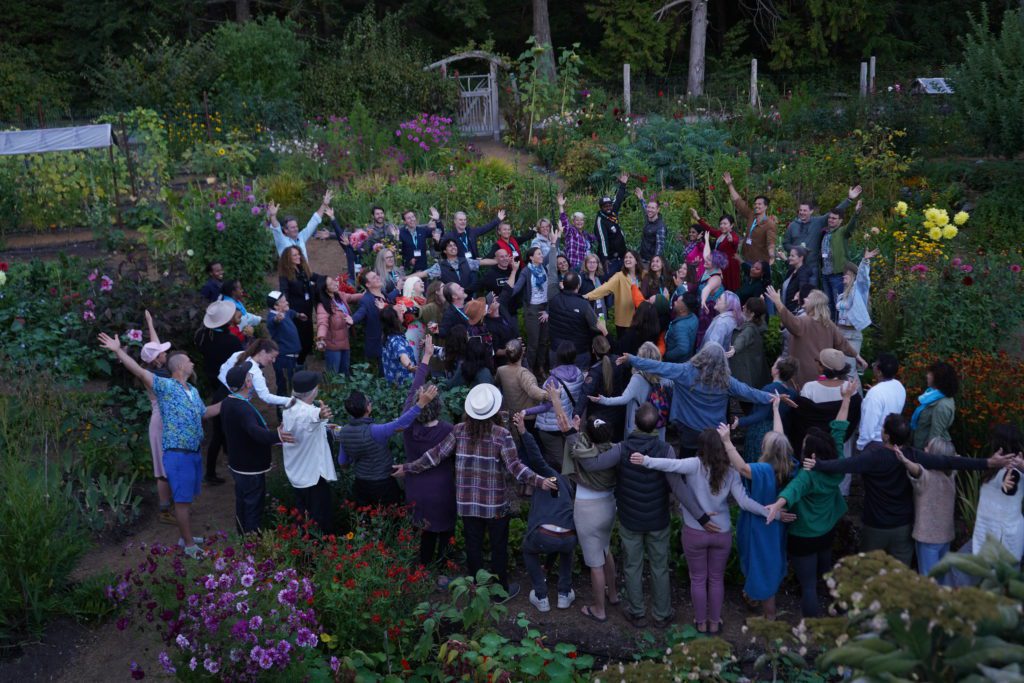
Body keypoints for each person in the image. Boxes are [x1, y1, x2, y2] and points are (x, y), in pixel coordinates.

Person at [394, 384, 557, 600]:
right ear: (494, 410)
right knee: (499, 548)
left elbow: (434, 456)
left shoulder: (459, 431)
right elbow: (515, 467)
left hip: (468, 504)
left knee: (473, 546)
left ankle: (475, 590)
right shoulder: (502, 434)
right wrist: (540, 481)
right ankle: (500, 593)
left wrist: (407, 468)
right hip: (495, 505)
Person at [805, 413, 1011, 566]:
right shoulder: (914, 455)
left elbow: (845, 465)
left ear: (885, 435)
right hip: (903, 527)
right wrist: (988, 462)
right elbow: (947, 460)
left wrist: (819, 465)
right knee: (899, 576)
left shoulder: (873, 457)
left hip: (876, 526)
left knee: (866, 571)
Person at [631, 426, 771, 634]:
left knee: (698, 579)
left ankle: (700, 622)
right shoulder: (732, 471)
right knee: (716, 579)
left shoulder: (695, 465)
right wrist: (771, 512)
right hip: (721, 533)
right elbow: (744, 502)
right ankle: (715, 622)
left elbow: (670, 465)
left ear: (702, 448)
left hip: (695, 531)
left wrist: (645, 460)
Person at [97, 332, 221, 558]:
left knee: (187, 498)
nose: (193, 363)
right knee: (182, 503)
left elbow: (206, 412)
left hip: (193, 452)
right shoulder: (165, 386)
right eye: (189, 361)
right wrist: (118, 351)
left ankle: (186, 537)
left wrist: (233, 400)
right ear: (181, 367)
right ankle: (189, 545)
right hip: (178, 453)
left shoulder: (192, 391)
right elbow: (138, 370)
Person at [577, 404, 682, 627]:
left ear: (635, 422)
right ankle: (662, 614)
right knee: (659, 566)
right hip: (658, 518)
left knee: (633, 566)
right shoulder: (666, 450)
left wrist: (571, 437)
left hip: (630, 518)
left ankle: (637, 612)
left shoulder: (621, 449)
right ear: (658, 423)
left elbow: (593, 464)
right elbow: (676, 486)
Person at [763, 382, 855, 616]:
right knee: (827, 573)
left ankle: (813, 630)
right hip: (826, 531)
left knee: (808, 586)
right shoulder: (836, 463)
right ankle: (841, 609)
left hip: (803, 535)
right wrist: (846, 398)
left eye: (804, 446)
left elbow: (793, 489)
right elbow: (839, 428)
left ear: (811, 454)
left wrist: (777, 504)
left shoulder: (807, 475)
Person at [620, 342, 777, 458]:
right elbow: (748, 392)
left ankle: (683, 491)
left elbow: (658, 367)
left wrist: (632, 359)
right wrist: (772, 397)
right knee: (711, 463)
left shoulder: (685, 371)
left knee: (685, 461)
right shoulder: (726, 381)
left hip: (688, 428)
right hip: (714, 431)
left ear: (701, 355)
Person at [723, 401, 796, 620]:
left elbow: (743, 468)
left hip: (760, 526)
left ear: (768, 450)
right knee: (767, 564)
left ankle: (769, 618)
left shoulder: (763, 470)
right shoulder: (788, 464)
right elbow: (779, 436)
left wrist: (727, 442)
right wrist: (775, 410)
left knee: (762, 567)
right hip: (775, 525)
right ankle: (753, 597)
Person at [401, 337, 457, 574]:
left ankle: (422, 570)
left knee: (423, 533)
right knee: (444, 531)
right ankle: (442, 571)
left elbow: (415, 390)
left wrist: (425, 358)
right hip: (443, 490)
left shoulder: (407, 426)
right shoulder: (449, 431)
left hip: (415, 489)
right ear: (439, 406)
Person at [513, 411, 577, 613]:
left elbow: (537, 459)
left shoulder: (552, 477)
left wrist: (523, 431)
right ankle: (564, 594)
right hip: (568, 536)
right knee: (565, 548)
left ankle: (541, 596)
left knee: (528, 550)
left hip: (544, 535)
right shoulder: (569, 485)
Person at [222, 363, 294, 534]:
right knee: (253, 507)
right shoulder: (243, 409)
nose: (252, 378)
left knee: (242, 502)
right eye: (250, 376)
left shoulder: (228, 402)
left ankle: (242, 536)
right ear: (247, 383)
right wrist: (278, 436)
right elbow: (256, 433)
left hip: (237, 464)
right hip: (250, 469)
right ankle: (253, 546)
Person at [563, 416, 621, 622]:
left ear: (589, 436)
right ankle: (613, 594)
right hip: (609, 505)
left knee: (595, 562)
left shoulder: (583, 452)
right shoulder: (615, 450)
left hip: (587, 509)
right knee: (606, 549)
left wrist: (572, 429)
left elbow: (572, 440)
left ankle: (599, 609)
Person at [339, 385, 436, 507]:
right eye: (369, 402)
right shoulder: (375, 431)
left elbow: (342, 462)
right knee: (389, 517)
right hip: (382, 485)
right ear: (367, 409)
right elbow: (401, 423)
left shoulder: (343, 431)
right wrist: (421, 403)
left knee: (366, 519)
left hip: (360, 484)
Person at [764, 286, 865, 389]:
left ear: (813, 304)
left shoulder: (803, 322)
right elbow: (843, 344)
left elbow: (789, 320)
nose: (804, 299)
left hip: (803, 375)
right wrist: (857, 356)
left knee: (804, 401)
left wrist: (778, 303)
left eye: (808, 298)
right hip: (823, 372)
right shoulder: (829, 324)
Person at [892, 438, 958, 581]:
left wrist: (904, 460)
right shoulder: (951, 475)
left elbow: (916, 470)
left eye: (928, 448)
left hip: (927, 537)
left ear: (934, 455)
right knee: (942, 577)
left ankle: (928, 603)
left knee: (928, 578)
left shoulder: (926, 477)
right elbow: (956, 458)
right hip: (946, 536)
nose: (924, 449)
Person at [280, 371, 336, 532]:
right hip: (313, 476)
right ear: (313, 391)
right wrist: (321, 415)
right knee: (319, 520)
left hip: (298, 474)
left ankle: (305, 551)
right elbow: (310, 418)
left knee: (303, 517)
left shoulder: (290, 406)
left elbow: (307, 425)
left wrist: (324, 426)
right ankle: (322, 552)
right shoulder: (310, 413)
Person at [195, 301, 243, 485]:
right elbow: (242, 360)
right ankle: (219, 468)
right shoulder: (232, 341)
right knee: (224, 430)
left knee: (218, 430)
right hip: (228, 385)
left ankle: (212, 470)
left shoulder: (204, 336)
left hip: (213, 380)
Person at [590, 341, 667, 441]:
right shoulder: (663, 375)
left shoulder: (637, 379)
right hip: (657, 423)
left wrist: (603, 400)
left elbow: (623, 399)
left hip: (638, 426)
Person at [526, 341, 586, 470]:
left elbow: (546, 406)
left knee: (559, 463)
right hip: (568, 423)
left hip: (550, 427)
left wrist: (526, 411)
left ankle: (564, 485)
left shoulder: (552, 381)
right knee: (569, 459)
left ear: (558, 357)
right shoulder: (579, 374)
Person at [782, 187, 859, 285]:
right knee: (792, 292)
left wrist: (849, 199)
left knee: (811, 294)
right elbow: (785, 243)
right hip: (795, 267)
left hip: (812, 266)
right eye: (800, 210)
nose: (802, 213)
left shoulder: (818, 222)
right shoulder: (792, 226)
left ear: (811, 211)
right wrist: (796, 250)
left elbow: (835, 212)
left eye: (805, 210)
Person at [140, 310, 174, 522]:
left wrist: (150, 323)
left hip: (162, 420)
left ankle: (172, 506)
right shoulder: (158, 376)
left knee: (166, 464)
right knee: (162, 468)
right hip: (161, 422)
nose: (166, 354)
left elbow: (154, 346)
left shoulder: (153, 368)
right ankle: (165, 510)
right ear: (157, 359)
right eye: (162, 353)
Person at [971, 425, 1024, 561]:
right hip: (989, 536)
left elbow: (1009, 488)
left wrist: (1008, 483)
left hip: (1002, 544)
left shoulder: (1012, 471)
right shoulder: (996, 467)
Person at [734, 357, 800, 463]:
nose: (772, 366)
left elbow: (761, 415)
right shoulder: (792, 392)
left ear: (776, 371)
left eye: (774, 364)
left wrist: (740, 422)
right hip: (779, 431)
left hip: (762, 433)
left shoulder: (769, 389)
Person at [511, 244, 555, 374]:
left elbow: (548, 292)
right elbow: (517, 287)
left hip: (544, 308)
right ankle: (529, 370)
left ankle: (540, 368)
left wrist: (547, 310)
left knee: (544, 341)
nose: (541, 256)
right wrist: (506, 294)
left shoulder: (543, 270)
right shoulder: (526, 271)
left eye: (541, 254)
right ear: (531, 257)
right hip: (532, 309)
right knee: (533, 342)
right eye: (539, 254)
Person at [835, 249, 879, 379]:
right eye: (843, 274)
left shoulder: (858, 290)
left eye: (847, 274)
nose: (844, 276)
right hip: (840, 333)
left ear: (854, 275)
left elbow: (863, 279)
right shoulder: (842, 296)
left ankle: (856, 398)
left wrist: (865, 261)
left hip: (852, 335)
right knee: (839, 369)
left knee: (849, 371)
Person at [583, 250, 644, 340]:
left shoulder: (643, 275)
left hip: (641, 320)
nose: (627, 259)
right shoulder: (619, 276)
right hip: (624, 322)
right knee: (624, 350)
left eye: (630, 257)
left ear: (636, 261)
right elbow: (604, 288)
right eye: (626, 257)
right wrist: (587, 296)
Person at [722, 172, 777, 269]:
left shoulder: (769, 224)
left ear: (766, 207)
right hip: (746, 257)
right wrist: (730, 185)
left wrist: (772, 255)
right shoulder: (752, 215)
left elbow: (771, 243)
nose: (756, 206)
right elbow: (738, 202)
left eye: (759, 204)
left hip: (759, 263)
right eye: (755, 204)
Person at [580, 336, 629, 439]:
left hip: (599, 416)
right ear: (609, 346)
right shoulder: (619, 361)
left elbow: (584, 394)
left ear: (593, 350)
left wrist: (576, 415)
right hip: (618, 412)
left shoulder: (594, 372)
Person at [314, 275, 364, 376]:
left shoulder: (339, 296)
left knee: (345, 372)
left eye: (333, 281)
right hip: (333, 346)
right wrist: (321, 338)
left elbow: (353, 297)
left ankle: (344, 391)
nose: (335, 283)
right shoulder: (323, 306)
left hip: (345, 342)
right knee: (333, 375)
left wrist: (368, 293)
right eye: (331, 284)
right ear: (325, 289)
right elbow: (322, 322)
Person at [218, 339, 290, 409]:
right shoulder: (255, 371)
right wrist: (289, 400)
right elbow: (265, 396)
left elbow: (222, 369)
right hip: (234, 404)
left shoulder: (238, 354)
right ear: (263, 352)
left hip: (220, 393)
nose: (273, 361)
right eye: (272, 357)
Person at [495, 339, 549, 432]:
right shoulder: (524, 374)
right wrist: (550, 395)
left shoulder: (500, 370)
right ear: (522, 353)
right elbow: (534, 392)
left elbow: (496, 384)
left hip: (512, 415)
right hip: (527, 417)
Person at [821, 200, 863, 319]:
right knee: (828, 303)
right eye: (830, 218)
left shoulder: (842, 232)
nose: (831, 220)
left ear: (840, 221)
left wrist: (856, 213)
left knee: (838, 303)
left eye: (834, 218)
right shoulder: (825, 233)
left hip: (838, 274)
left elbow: (851, 226)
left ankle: (839, 329)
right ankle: (830, 329)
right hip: (825, 273)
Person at [857, 352, 906, 452]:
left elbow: (868, 427)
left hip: (875, 444)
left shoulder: (875, 393)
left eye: (875, 364)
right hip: (891, 441)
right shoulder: (899, 385)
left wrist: (860, 447)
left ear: (879, 372)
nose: (873, 365)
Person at [277, 247, 317, 366]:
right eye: (294, 255)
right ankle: (298, 363)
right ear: (288, 258)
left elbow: (313, 278)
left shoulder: (303, 269)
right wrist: (285, 309)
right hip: (296, 310)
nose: (298, 257)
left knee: (309, 335)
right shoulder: (285, 274)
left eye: (298, 254)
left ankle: (304, 355)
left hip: (307, 308)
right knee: (301, 337)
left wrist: (326, 280)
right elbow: (284, 292)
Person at [266, 191, 332, 258]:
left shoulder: (301, 237)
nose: (296, 229)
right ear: (285, 230)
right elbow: (276, 229)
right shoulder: (281, 241)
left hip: (304, 268)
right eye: (292, 227)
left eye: (296, 226)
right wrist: (273, 216)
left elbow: (314, 221)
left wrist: (324, 205)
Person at [911, 361, 958, 450]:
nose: (927, 376)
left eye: (930, 374)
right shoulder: (931, 395)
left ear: (939, 379)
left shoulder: (942, 405)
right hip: (920, 445)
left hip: (927, 451)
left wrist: (927, 454)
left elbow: (935, 436)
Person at [690, 208, 740, 292]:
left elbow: (735, 241)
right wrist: (697, 218)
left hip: (729, 267)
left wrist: (731, 240)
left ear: (731, 225)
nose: (722, 226)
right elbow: (709, 229)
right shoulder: (720, 234)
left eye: (725, 224)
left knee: (729, 288)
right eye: (721, 224)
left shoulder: (733, 235)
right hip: (720, 265)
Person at [351, 269, 392, 371]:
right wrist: (351, 320)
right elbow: (361, 312)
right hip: (380, 344)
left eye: (377, 275)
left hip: (392, 340)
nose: (378, 277)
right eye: (374, 277)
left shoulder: (383, 294)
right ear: (368, 284)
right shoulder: (366, 300)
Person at [265, 290, 301, 396]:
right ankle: (281, 411)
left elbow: (291, 312)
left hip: (291, 357)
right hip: (284, 360)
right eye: (284, 301)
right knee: (284, 388)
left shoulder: (286, 312)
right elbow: (273, 321)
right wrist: (277, 318)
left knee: (293, 386)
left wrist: (298, 315)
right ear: (276, 306)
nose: (287, 302)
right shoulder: (272, 317)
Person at [729, 297, 769, 390]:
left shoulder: (750, 328)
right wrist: (761, 302)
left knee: (747, 401)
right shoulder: (760, 322)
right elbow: (762, 315)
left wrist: (734, 349)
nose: (743, 306)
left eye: (746, 307)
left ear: (752, 313)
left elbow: (742, 338)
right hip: (755, 371)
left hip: (747, 374)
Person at [594, 173, 629, 274]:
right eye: (605, 206)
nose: (608, 208)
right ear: (601, 208)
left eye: (609, 205)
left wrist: (623, 184)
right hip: (611, 259)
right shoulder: (600, 221)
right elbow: (603, 241)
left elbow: (619, 198)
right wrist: (604, 259)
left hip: (621, 256)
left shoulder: (613, 212)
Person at [439, 209, 505, 260]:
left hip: (473, 266)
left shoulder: (471, 232)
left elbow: (485, 228)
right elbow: (441, 248)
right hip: (460, 267)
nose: (463, 222)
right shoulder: (449, 236)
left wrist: (498, 220)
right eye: (460, 220)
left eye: (465, 220)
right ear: (455, 221)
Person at [557, 193, 595, 271]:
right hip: (572, 266)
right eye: (577, 220)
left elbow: (595, 238)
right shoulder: (571, 231)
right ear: (573, 222)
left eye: (581, 220)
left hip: (583, 268)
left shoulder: (585, 235)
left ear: (584, 222)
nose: (579, 222)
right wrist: (561, 206)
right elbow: (564, 221)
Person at [380, 305, 416, 384]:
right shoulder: (397, 340)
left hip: (392, 386)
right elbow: (402, 355)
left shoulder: (387, 336)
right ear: (395, 320)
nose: (402, 312)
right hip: (404, 387)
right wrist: (409, 366)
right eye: (399, 312)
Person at [398, 208, 439, 273]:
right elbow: (399, 253)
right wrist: (409, 261)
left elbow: (439, 232)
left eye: (413, 217)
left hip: (423, 268)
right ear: (405, 221)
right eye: (408, 218)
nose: (412, 219)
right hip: (409, 270)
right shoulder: (401, 234)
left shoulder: (422, 230)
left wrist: (437, 220)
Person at [664, 292, 699, 363]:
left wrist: (667, 355)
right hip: (687, 358)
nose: (674, 302)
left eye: (677, 302)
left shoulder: (680, 326)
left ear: (682, 310)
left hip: (676, 363)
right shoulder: (694, 317)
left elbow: (683, 349)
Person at [635, 188, 666, 266]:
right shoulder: (649, 217)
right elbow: (645, 208)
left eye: (653, 208)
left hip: (650, 262)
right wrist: (641, 198)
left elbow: (660, 247)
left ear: (658, 210)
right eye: (649, 207)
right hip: (642, 258)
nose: (649, 210)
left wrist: (654, 264)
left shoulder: (660, 227)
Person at [780, 247, 813, 314]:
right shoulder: (793, 269)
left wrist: (799, 293)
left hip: (794, 311)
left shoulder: (803, 273)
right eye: (789, 255)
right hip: (788, 308)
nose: (789, 257)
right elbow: (788, 263)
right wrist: (784, 258)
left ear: (801, 258)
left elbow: (803, 285)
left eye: (792, 256)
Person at [579, 253, 610, 322]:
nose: (592, 264)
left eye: (594, 262)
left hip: (601, 311)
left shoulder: (601, 278)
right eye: (589, 262)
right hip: (587, 313)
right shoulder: (581, 278)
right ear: (585, 264)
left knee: (601, 329)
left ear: (597, 264)